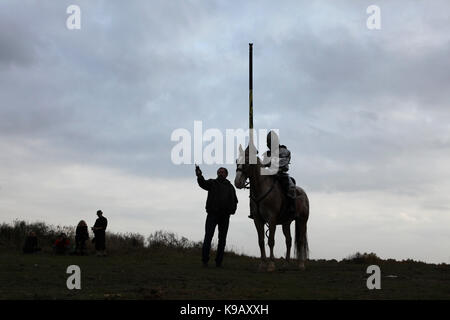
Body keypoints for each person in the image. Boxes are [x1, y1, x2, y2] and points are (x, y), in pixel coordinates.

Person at [196, 165, 238, 268]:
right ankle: (205, 261)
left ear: (226, 174)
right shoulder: (212, 183)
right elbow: (202, 183)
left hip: (225, 217)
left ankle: (218, 263)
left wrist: (231, 211)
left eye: (222, 172)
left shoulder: (230, 187)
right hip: (212, 215)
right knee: (208, 238)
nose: (220, 173)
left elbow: (235, 201)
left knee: (222, 240)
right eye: (219, 172)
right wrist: (199, 176)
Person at [249, 130, 297, 219]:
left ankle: (291, 208)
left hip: (281, 174)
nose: (269, 143)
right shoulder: (267, 154)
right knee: (255, 186)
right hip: (269, 174)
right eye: (268, 142)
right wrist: (254, 156)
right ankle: (253, 210)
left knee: (291, 185)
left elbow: (282, 162)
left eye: (271, 141)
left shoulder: (284, 151)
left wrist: (271, 168)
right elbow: (262, 165)